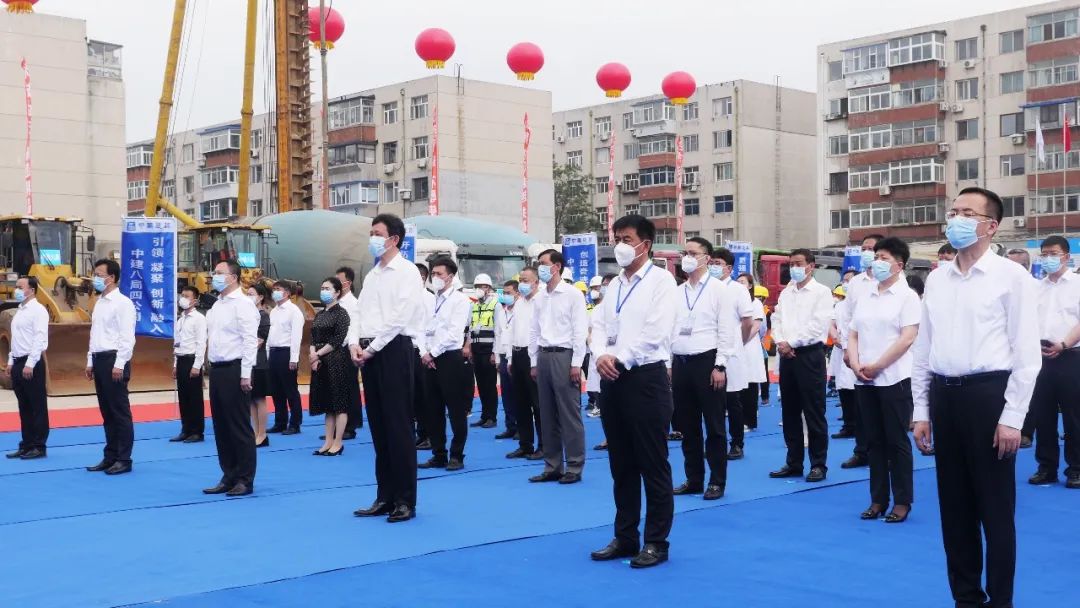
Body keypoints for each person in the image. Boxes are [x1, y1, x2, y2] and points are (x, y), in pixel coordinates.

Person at [912, 187, 1040, 608]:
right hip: (945, 396)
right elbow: (924, 349)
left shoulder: (1011, 277)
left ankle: (1001, 601)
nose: (956, 220)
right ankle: (966, 598)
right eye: (953, 212)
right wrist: (921, 409)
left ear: (991, 226)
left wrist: (1013, 417)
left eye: (967, 213)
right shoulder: (937, 278)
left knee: (995, 510)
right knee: (954, 509)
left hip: (989, 397)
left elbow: (1027, 354)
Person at [590, 215, 678, 569]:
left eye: (626, 239)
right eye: (616, 239)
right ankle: (625, 536)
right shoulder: (615, 285)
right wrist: (600, 355)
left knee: (652, 464)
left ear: (646, 244)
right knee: (621, 465)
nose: (620, 246)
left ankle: (656, 541)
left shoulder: (662, 281)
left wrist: (620, 359)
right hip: (612, 379)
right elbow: (598, 324)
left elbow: (656, 332)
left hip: (645, 379)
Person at [352, 214, 423, 523]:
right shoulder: (372, 274)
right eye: (371, 233)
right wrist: (354, 343)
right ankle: (385, 496)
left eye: (377, 233)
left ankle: (405, 500)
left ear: (394, 239)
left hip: (393, 349)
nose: (373, 238)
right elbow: (359, 312)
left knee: (399, 428)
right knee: (379, 427)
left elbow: (399, 317)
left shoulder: (407, 272)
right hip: (369, 351)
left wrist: (372, 348)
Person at [848, 237, 920, 523]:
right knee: (874, 441)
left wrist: (878, 365)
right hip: (865, 379)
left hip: (894, 377)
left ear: (899, 265)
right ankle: (878, 499)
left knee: (896, 441)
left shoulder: (907, 296)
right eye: (875, 257)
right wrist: (855, 363)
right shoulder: (866, 295)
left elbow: (907, 337)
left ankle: (902, 500)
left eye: (883, 258)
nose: (876, 262)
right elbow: (853, 333)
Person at [670, 237, 734, 501]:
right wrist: (669, 363)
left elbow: (726, 330)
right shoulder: (678, 291)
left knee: (714, 426)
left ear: (706, 258)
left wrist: (720, 365)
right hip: (681, 362)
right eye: (684, 252)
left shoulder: (719, 290)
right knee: (687, 426)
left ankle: (717, 481)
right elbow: (670, 329)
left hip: (707, 362)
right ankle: (694, 479)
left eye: (693, 253)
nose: (687, 257)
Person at [769, 249, 834, 483]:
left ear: (811, 266)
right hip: (787, 355)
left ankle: (818, 464)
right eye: (791, 264)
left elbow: (818, 326)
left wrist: (792, 343)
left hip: (809, 355)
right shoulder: (787, 292)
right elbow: (776, 319)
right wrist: (780, 341)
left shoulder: (821, 292)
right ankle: (793, 462)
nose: (794, 268)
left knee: (814, 411)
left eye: (798, 263)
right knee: (789, 411)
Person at [529, 249, 588, 484]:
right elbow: (534, 331)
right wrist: (534, 361)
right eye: (538, 263)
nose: (540, 268)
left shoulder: (573, 295)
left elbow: (579, 331)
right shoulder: (539, 297)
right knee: (546, 414)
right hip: (544, 355)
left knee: (569, 413)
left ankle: (574, 465)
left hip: (564, 355)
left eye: (544, 263)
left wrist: (576, 363)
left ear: (557, 266)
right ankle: (552, 465)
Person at [202, 259, 260, 497]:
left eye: (219, 272)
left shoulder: (243, 304)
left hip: (235, 369)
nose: (214, 276)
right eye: (214, 272)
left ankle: (245, 478)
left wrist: (246, 373)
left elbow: (249, 341)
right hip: (217, 369)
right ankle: (229, 474)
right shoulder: (217, 305)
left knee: (238, 425)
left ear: (233, 277)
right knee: (221, 426)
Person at [1029, 235, 1080, 489]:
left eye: (1054, 253)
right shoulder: (1036, 288)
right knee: (1043, 415)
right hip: (1040, 357)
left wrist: (1064, 344)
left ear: (1066, 257)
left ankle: (1076, 469)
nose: (1048, 258)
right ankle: (1046, 467)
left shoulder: (1077, 284)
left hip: (1070, 355)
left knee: (1073, 416)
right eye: (1044, 254)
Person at [419, 257, 473, 470]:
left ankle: (457, 455)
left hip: (450, 358)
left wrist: (432, 353)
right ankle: (438, 453)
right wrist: (425, 352)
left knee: (456, 409)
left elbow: (454, 334)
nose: (435, 277)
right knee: (432, 409)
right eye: (433, 274)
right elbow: (421, 328)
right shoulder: (431, 299)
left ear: (450, 276)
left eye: (439, 274)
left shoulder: (460, 300)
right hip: (429, 359)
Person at [85, 259, 137, 475]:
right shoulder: (99, 302)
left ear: (112, 277)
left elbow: (127, 337)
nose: (95, 278)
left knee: (119, 411)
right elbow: (94, 334)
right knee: (107, 411)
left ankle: (124, 458)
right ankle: (110, 455)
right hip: (99, 358)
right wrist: (90, 360)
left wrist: (120, 364)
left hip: (114, 359)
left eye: (99, 274)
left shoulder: (123, 303)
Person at [710, 248, 754, 460]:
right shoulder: (706, 288)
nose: (713, 267)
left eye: (717, 263)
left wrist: (739, 342)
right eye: (711, 263)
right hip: (708, 350)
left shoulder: (737, 290)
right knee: (711, 403)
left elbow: (748, 322)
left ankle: (737, 443)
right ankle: (714, 444)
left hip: (732, 351)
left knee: (732, 400)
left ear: (729, 268)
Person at [4, 277, 50, 460]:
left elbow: (40, 338)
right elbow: (16, 338)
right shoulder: (20, 311)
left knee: (37, 406)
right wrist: (11, 361)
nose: (16, 290)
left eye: (20, 287)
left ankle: (39, 445)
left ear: (31, 290)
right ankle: (27, 443)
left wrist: (30, 363)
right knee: (24, 406)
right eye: (16, 287)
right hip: (18, 361)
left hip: (32, 363)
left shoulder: (38, 310)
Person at [309, 278, 352, 456]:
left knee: (339, 403)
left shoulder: (342, 314)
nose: (323, 291)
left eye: (327, 288)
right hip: (319, 361)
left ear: (337, 292)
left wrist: (318, 354)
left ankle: (338, 442)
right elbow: (313, 338)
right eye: (322, 288)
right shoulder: (320, 314)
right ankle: (328, 441)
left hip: (336, 360)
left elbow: (337, 339)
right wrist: (313, 356)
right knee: (327, 404)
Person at [505, 267, 543, 461]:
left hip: (533, 355)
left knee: (538, 403)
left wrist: (535, 360)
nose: (522, 284)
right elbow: (512, 331)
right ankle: (525, 444)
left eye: (526, 280)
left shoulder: (542, 301)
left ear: (536, 282)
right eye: (520, 280)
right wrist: (510, 358)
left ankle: (544, 446)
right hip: (517, 354)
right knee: (520, 402)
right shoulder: (519, 303)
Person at [830, 283, 866, 469]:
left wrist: (849, 348)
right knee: (843, 387)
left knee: (860, 397)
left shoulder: (865, 303)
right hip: (841, 351)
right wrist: (836, 338)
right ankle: (850, 428)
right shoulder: (839, 306)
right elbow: (832, 324)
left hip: (861, 354)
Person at [267, 280, 305, 440]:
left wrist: (294, 358)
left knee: (290, 390)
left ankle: (295, 423)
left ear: (288, 293)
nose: (275, 292)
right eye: (274, 289)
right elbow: (270, 335)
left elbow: (296, 336)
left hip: (286, 352)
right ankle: (280, 421)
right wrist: (268, 354)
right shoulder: (274, 311)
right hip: (274, 352)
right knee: (276, 390)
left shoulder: (294, 311)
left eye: (278, 289)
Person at [171, 286, 207, 444]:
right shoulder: (180, 320)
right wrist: (175, 364)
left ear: (195, 300)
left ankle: (197, 431)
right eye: (182, 295)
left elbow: (201, 343)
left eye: (187, 296)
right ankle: (185, 429)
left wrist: (197, 365)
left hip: (192, 360)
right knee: (183, 397)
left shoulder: (199, 319)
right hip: (181, 359)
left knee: (194, 398)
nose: (183, 298)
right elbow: (177, 343)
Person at [409, 263, 436, 449]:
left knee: (426, 396)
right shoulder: (408, 298)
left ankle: (430, 435)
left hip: (423, 352)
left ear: (423, 278)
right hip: (408, 350)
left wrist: (426, 352)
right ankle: (421, 433)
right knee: (414, 396)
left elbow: (430, 328)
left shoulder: (429, 299)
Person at [469, 273, 500, 429]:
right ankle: (484, 415)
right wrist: (469, 349)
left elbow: (498, 331)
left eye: (482, 286)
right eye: (477, 286)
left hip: (489, 351)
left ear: (488, 288)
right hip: (476, 350)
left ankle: (492, 417)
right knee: (481, 385)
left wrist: (495, 352)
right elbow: (469, 329)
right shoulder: (474, 306)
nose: (479, 289)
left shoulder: (495, 305)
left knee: (490, 385)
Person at [737, 273, 767, 432]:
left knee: (750, 383)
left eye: (743, 282)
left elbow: (755, 327)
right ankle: (738, 419)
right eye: (738, 282)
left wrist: (742, 340)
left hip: (748, 345)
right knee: (737, 384)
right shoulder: (734, 301)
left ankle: (749, 420)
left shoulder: (755, 303)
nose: (739, 284)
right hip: (735, 345)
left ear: (750, 285)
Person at [336, 266, 363, 438]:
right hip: (334, 349)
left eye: (339, 281)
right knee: (337, 388)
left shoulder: (353, 303)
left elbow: (353, 328)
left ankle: (350, 426)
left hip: (347, 348)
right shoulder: (336, 302)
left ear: (348, 283)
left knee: (349, 387)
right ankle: (337, 426)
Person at [246, 283, 272, 445]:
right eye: (247, 294)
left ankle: (262, 434)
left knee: (259, 399)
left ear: (260, 297)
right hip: (248, 362)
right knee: (251, 399)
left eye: (251, 294)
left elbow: (259, 341)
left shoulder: (263, 316)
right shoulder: (249, 315)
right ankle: (255, 432)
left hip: (259, 362)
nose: (248, 297)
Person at [494, 280, 519, 441]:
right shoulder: (501, 312)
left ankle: (521, 427)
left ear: (517, 293)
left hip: (516, 355)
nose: (505, 296)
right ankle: (510, 426)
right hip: (503, 356)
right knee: (506, 394)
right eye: (504, 293)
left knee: (519, 394)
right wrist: (497, 357)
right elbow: (497, 334)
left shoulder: (520, 310)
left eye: (509, 293)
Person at [585, 275, 605, 416]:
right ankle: (598, 405)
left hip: (606, 352)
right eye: (592, 288)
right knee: (595, 381)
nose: (594, 291)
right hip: (593, 351)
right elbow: (590, 330)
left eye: (597, 288)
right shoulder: (595, 309)